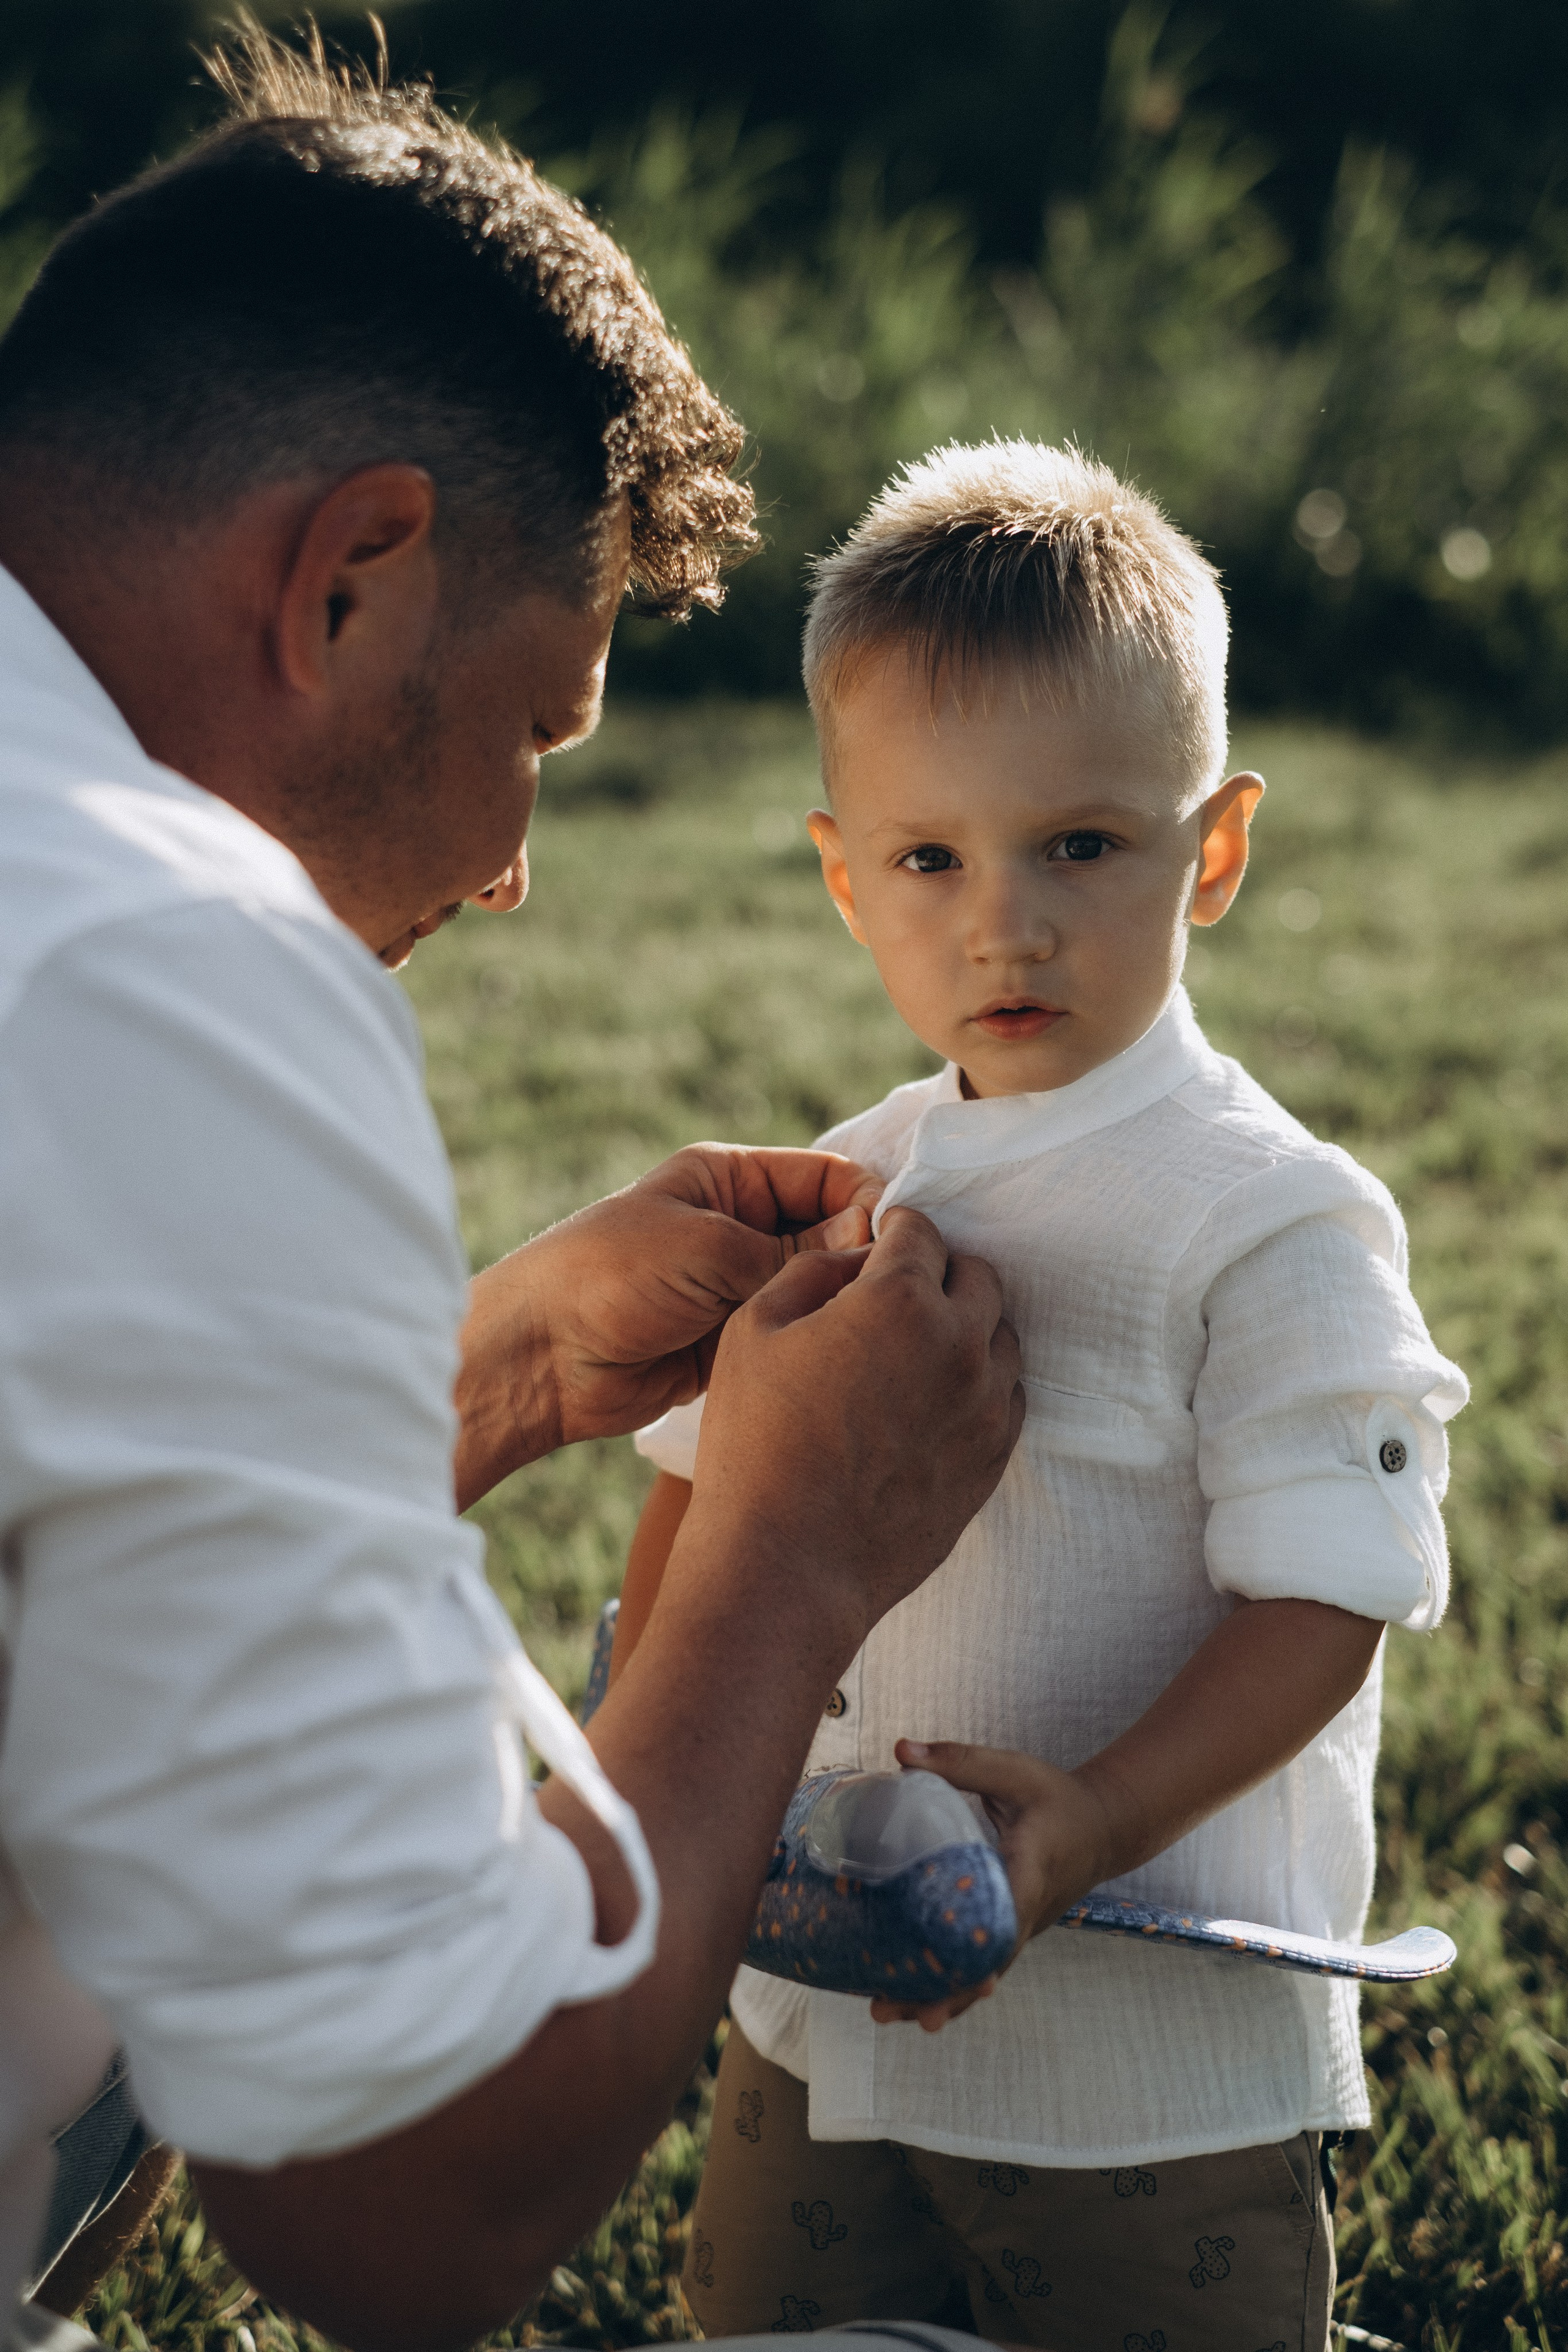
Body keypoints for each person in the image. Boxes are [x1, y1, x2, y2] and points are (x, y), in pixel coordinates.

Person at [0, 32, 1026, 2352]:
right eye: (537, 733)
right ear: (355, 576)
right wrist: (789, 1561)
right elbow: (402, 2204)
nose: (515, 871)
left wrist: (477, 1379)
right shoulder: (171, 965)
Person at [616, 442, 1469, 2352]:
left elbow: (1323, 1602)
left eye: (1081, 843)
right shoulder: (856, 1182)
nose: (1004, 922)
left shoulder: (1267, 1217)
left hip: (1143, 2051)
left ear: (1215, 851)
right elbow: (702, 1488)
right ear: (846, 881)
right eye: (931, 857)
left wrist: (1083, 1823)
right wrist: (646, 1771)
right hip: (820, 2012)